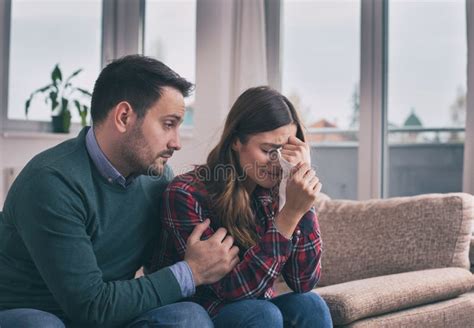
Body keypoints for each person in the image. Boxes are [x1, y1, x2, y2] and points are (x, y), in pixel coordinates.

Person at [0, 55, 239, 328]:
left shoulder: (157, 180)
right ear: (124, 117)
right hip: (35, 314)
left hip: (108, 314)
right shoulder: (51, 183)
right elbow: (90, 306)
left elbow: (158, 269)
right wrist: (191, 271)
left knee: (188, 318)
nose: (176, 143)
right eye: (168, 124)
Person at [155, 86, 333, 327]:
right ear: (237, 141)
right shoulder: (186, 194)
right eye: (269, 150)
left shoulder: (276, 190)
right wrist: (289, 214)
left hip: (257, 308)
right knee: (262, 313)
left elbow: (303, 281)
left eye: (286, 152)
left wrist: (301, 196)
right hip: (202, 313)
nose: (278, 163)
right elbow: (234, 291)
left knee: (310, 304)